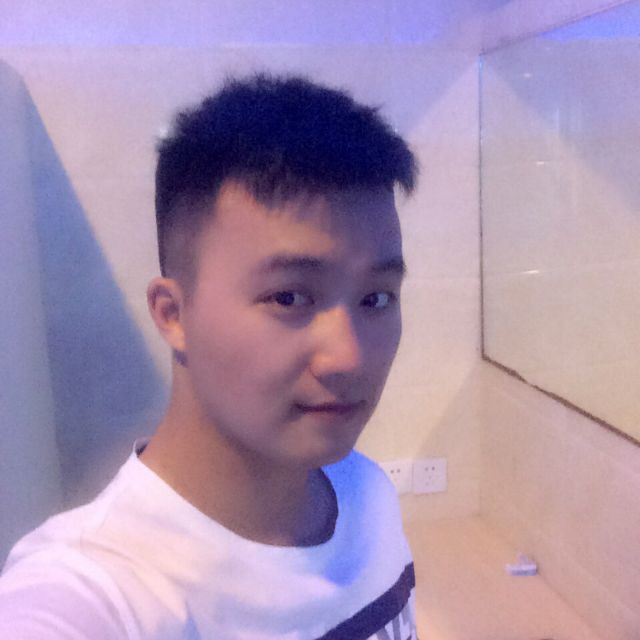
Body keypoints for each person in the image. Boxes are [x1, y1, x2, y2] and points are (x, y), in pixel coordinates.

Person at [0, 73, 419, 639]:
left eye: (376, 298)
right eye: (289, 297)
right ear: (173, 315)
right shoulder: (102, 593)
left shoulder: (368, 493)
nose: (349, 357)